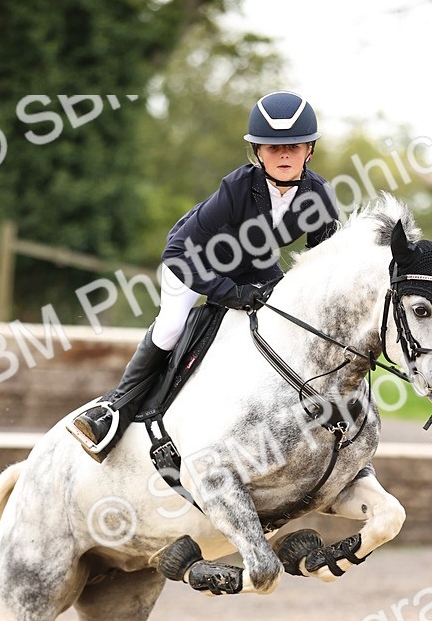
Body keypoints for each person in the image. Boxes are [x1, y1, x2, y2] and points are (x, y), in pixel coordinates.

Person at [67, 90, 340, 461]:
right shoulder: (237, 188)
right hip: (194, 260)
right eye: (273, 147)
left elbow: (323, 264)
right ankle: (114, 410)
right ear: (257, 152)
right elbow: (178, 255)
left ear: (310, 149)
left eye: (293, 145)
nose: (284, 155)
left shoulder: (319, 196)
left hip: (255, 264)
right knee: (171, 328)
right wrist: (229, 292)